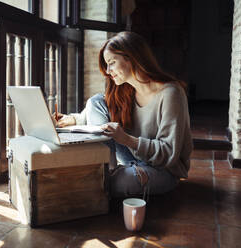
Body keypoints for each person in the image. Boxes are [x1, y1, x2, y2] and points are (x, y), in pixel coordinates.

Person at [56, 31, 192, 198]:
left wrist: (126, 139)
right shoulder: (125, 89)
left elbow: (168, 153)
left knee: (121, 182)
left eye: (112, 62)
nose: (108, 70)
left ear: (132, 57)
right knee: (96, 101)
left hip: (164, 169)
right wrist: (72, 119)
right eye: (107, 64)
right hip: (131, 156)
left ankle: (109, 177)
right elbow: (95, 111)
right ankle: (107, 170)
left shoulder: (171, 93)